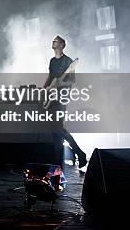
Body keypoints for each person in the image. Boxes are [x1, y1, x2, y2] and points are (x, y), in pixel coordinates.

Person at [43, 35, 87, 168]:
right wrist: (44, 88)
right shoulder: (52, 61)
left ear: (62, 45)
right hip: (51, 96)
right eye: (53, 41)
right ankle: (59, 159)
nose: (53, 42)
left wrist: (62, 82)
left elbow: (72, 80)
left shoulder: (68, 61)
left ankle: (79, 153)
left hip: (62, 98)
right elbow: (50, 77)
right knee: (54, 130)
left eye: (56, 41)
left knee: (58, 128)